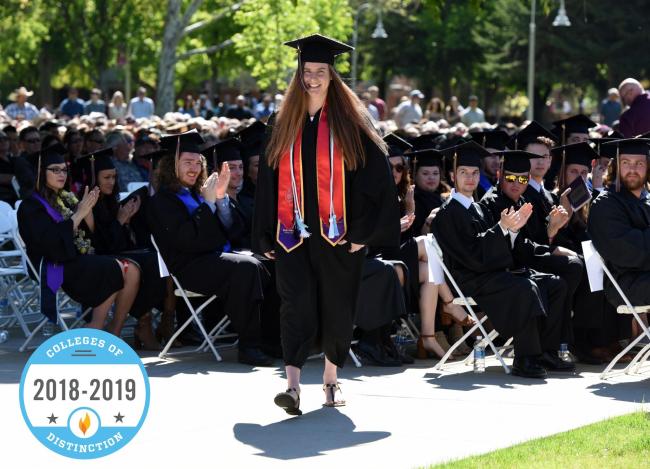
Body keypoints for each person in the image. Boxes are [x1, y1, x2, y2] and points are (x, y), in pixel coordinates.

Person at [253, 34, 399, 415]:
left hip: (339, 234)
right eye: (307, 72)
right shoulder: (282, 121)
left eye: (320, 71)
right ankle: (293, 387)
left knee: (337, 306)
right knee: (294, 304)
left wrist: (362, 233)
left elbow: (378, 179)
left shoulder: (352, 121)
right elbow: (268, 181)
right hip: (292, 232)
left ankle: (331, 379)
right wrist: (264, 232)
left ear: (332, 76)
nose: (313, 78)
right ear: (298, 75)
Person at [432, 140, 568, 378]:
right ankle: (525, 358)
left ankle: (547, 352)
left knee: (555, 284)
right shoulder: (447, 214)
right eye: (464, 173)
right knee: (525, 287)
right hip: (469, 278)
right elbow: (472, 256)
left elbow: (498, 248)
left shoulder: (477, 208)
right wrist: (502, 228)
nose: (470, 178)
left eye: (475, 173)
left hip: (490, 272)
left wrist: (512, 230)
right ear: (453, 175)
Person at [148, 130, 274, 366]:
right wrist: (207, 202)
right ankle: (249, 345)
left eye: (198, 162)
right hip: (189, 268)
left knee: (269, 264)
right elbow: (188, 241)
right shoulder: (163, 201)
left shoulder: (197, 194)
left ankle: (273, 339)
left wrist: (220, 198)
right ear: (170, 165)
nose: (194, 168)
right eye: (187, 162)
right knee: (246, 268)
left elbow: (233, 231)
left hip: (213, 260)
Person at [17, 143, 140, 336]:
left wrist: (87, 214)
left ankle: (114, 330)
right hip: (51, 263)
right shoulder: (31, 206)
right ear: (41, 172)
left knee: (132, 269)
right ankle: (95, 326)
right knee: (114, 267)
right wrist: (78, 215)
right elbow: (49, 244)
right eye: (55, 170)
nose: (61, 174)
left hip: (74, 257)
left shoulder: (67, 199)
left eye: (64, 170)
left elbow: (87, 239)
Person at [81, 148, 168, 350]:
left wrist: (125, 222)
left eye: (114, 176)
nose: (111, 181)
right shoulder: (87, 203)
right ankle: (139, 323)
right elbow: (100, 244)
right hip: (95, 258)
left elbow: (118, 242)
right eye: (107, 177)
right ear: (94, 178)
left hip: (113, 253)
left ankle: (142, 322)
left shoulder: (110, 200)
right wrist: (120, 221)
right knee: (148, 262)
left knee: (155, 259)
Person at [588, 138, 649, 346]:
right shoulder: (606, 204)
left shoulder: (647, 201)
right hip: (625, 283)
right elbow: (626, 251)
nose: (633, 169)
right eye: (626, 163)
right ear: (616, 166)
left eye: (639, 163)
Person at [469, 129, 509, 199]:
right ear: (481, 157)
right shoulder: (473, 188)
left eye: (500, 156)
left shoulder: (505, 184)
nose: (497, 161)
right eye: (491, 156)